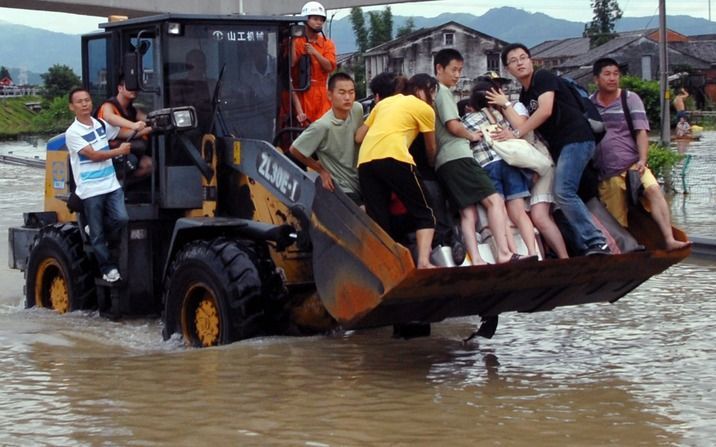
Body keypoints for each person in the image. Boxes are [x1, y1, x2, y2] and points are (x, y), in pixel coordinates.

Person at [501, 42, 610, 256]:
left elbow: (545, 110)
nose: (520, 63)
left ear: (530, 60)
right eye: (513, 61)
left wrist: (515, 133)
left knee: (564, 191)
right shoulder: (524, 96)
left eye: (523, 57)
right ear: (508, 69)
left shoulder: (543, 78)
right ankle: (583, 246)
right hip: (562, 147)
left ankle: (598, 242)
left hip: (576, 139)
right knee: (564, 196)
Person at [432, 48, 529, 265]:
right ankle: (504, 253)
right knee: (494, 201)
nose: (457, 75)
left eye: (460, 70)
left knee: (468, 212)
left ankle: (476, 258)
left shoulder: (434, 94)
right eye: (453, 70)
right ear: (439, 69)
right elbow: (453, 125)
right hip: (459, 156)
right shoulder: (443, 92)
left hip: (444, 162)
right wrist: (472, 135)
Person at [590, 57, 691, 251]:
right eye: (607, 74)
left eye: (616, 74)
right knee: (617, 221)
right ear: (596, 79)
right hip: (606, 172)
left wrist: (643, 159)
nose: (612, 78)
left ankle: (669, 239)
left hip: (633, 165)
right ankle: (625, 255)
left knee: (653, 190)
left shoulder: (629, 99)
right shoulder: (589, 104)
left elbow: (641, 131)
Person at [355, 72, 437, 269]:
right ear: (419, 91)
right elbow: (431, 148)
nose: (433, 97)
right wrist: (432, 164)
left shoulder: (383, 104)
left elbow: (358, 137)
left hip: (365, 162)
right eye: (432, 92)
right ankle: (424, 262)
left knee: (379, 218)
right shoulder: (423, 108)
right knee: (425, 211)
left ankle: (383, 267)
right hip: (394, 157)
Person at [485, 82, 569, 259]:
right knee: (530, 215)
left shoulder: (516, 106)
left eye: (493, 93)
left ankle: (564, 258)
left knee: (540, 215)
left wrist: (505, 104)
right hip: (523, 170)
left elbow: (522, 126)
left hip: (538, 165)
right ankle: (543, 256)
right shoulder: (490, 116)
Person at [462, 80, 539, 258]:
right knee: (519, 213)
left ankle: (511, 253)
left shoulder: (467, 121)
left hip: (488, 166)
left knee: (499, 211)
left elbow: (466, 142)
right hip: (510, 163)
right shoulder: (500, 115)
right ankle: (532, 251)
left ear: (472, 103)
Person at [66, 87, 131, 283]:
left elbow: (120, 132)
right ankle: (108, 268)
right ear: (72, 107)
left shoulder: (100, 124)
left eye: (87, 100)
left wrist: (145, 127)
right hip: (90, 189)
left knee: (122, 219)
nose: (85, 104)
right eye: (80, 101)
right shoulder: (73, 133)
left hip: (110, 184)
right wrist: (119, 151)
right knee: (97, 236)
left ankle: (96, 230)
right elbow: (94, 155)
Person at [289, 72, 364, 206]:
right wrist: (321, 170)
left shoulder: (357, 109)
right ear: (329, 95)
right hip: (342, 186)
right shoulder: (322, 126)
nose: (347, 97)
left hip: (360, 179)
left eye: (351, 92)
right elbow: (295, 149)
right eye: (341, 92)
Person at [97, 76, 153, 179]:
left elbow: (145, 120)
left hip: (126, 149)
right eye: (130, 86)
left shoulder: (132, 110)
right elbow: (109, 117)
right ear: (120, 88)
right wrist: (133, 125)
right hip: (107, 153)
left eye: (136, 87)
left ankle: (121, 186)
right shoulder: (108, 106)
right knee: (132, 160)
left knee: (149, 165)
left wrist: (154, 124)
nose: (134, 90)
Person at [292, 1, 337, 126]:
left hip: (321, 93)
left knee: (323, 127)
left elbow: (330, 67)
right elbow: (291, 64)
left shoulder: (327, 44)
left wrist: (315, 53)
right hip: (302, 92)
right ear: (306, 20)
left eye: (321, 20)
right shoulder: (297, 42)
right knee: (303, 129)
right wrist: (292, 40)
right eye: (315, 19)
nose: (319, 23)